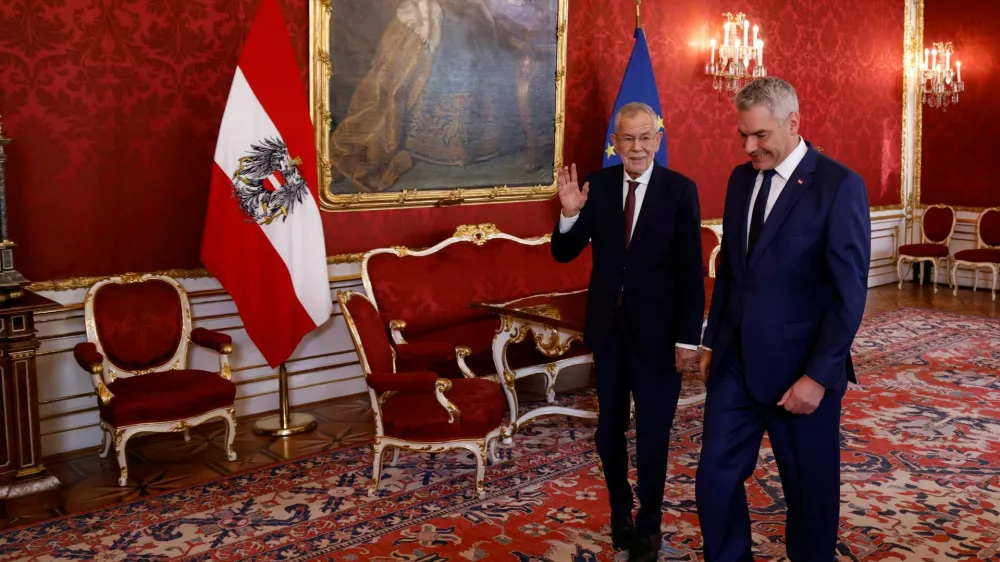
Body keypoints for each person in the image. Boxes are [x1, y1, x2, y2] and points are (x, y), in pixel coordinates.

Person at [695, 77, 871, 562]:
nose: (750, 147)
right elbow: (732, 270)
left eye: (760, 136)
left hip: (801, 372)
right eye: (743, 136)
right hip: (735, 362)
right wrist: (711, 342)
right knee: (714, 479)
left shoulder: (839, 186)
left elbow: (848, 295)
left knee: (809, 496)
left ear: (793, 123)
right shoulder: (739, 179)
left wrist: (818, 375)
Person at [551, 102, 705, 562]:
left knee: (653, 435)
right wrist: (570, 214)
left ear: (658, 139)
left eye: (644, 138)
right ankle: (621, 511)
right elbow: (564, 253)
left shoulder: (680, 190)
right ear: (614, 143)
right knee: (607, 433)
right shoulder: (596, 186)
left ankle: (649, 525)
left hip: (660, 337)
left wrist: (687, 339)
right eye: (627, 139)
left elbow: (689, 273)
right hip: (610, 332)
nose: (636, 148)